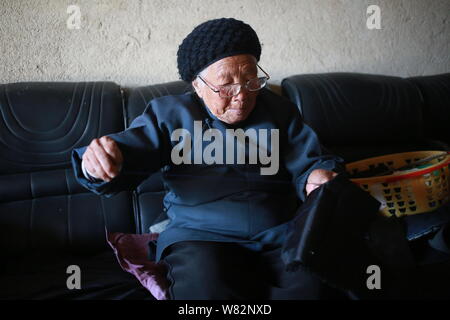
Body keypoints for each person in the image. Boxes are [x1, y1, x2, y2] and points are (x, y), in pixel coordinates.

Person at [72, 18, 346, 300]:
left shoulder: (280, 111)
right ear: (197, 85)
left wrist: (317, 175)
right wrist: (98, 160)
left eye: (251, 80)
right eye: (226, 85)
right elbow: (128, 151)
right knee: (206, 290)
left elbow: (312, 160)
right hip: (201, 237)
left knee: (314, 287)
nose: (241, 95)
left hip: (279, 234)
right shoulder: (170, 115)